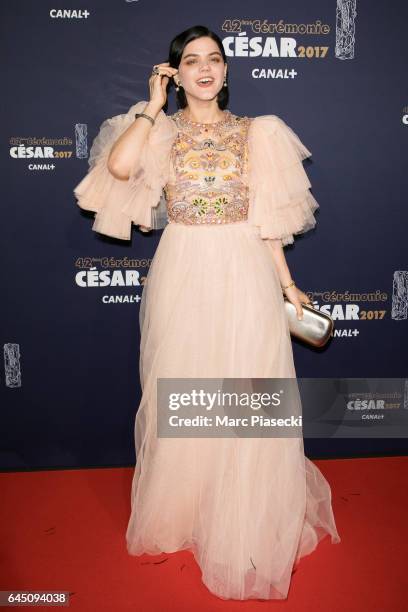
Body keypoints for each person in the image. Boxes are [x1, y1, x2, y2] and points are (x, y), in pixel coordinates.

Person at [73, 25, 341, 601]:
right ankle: (191, 505)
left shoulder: (258, 133)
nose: (204, 68)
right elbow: (118, 171)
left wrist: (288, 285)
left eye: (213, 59)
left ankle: (244, 511)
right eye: (190, 61)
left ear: (225, 71)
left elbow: (270, 223)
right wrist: (150, 106)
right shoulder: (159, 131)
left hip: (244, 265)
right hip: (184, 267)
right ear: (174, 72)